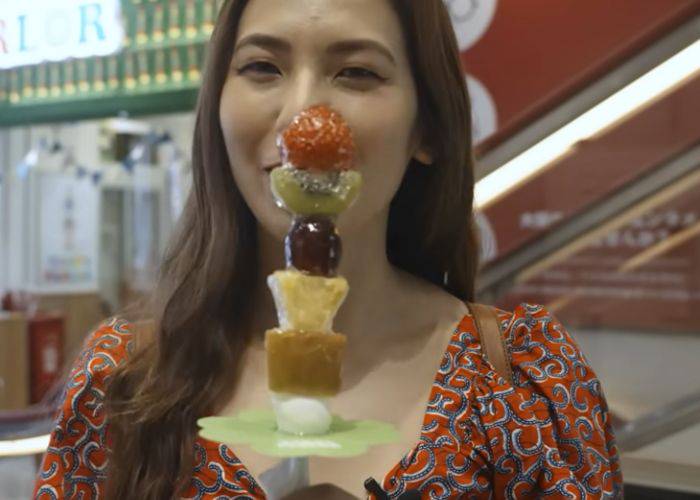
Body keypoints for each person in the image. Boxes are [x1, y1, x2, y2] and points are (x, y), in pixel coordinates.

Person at [33, 0, 623, 498]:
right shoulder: (125, 380)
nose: (301, 117)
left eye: (357, 73)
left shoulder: (521, 383)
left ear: (428, 129)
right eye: (262, 67)